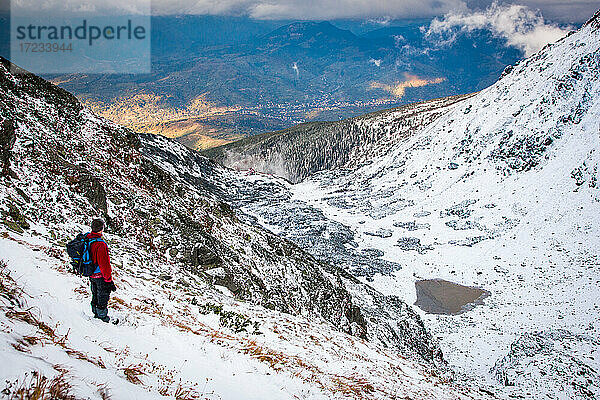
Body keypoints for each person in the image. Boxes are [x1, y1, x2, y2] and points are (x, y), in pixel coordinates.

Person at [87, 218, 117, 323]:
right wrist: (108, 280)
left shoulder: (88, 239)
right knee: (103, 295)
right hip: (100, 275)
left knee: (95, 293)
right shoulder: (100, 244)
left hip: (91, 273)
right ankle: (102, 318)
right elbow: (104, 264)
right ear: (102, 229)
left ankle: (95, 312)